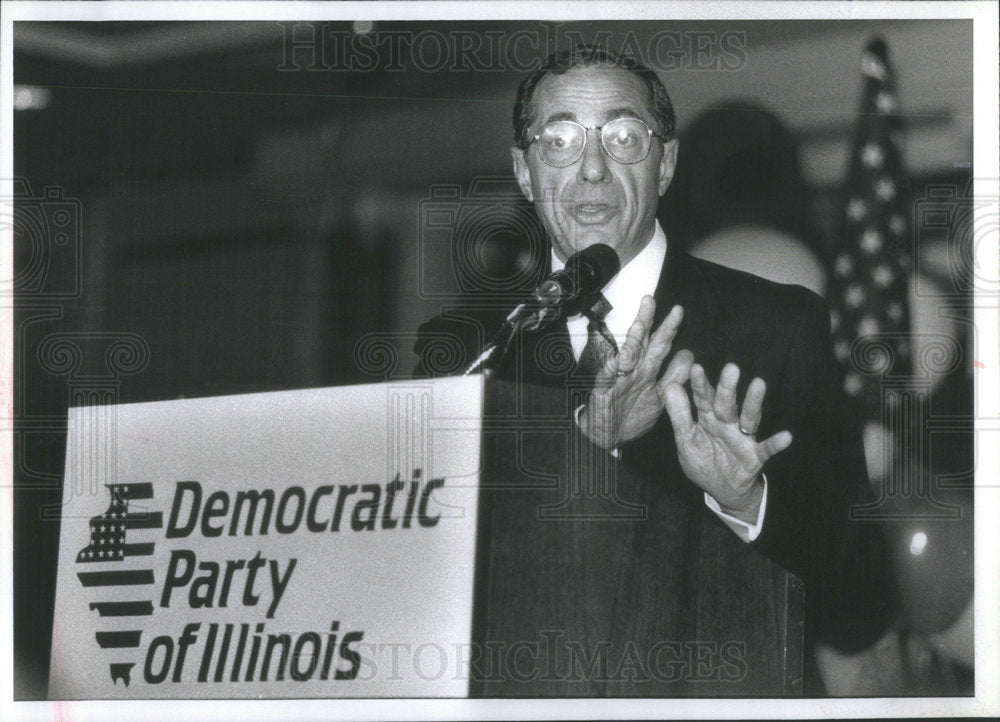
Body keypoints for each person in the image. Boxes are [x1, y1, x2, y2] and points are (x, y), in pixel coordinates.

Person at [415, 46, 889, 668]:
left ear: (664, 163)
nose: (591, 169)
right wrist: (589, 444)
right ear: (524, 173)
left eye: (622, 136)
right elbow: (428, 585)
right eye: (558, 139)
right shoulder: (470, 350)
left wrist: (749, 504)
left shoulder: (778, 327)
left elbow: (859, 609)